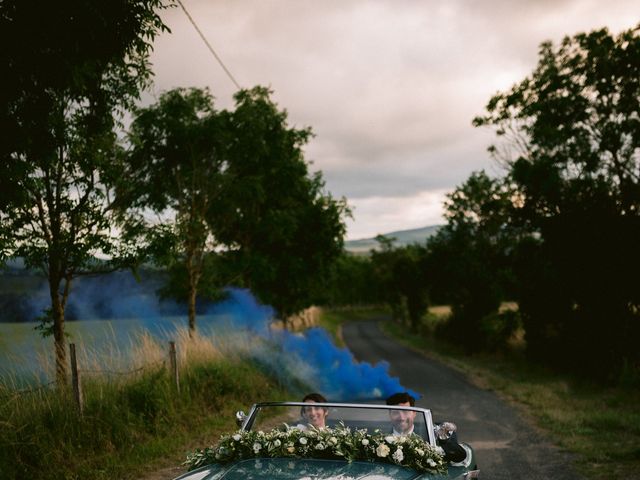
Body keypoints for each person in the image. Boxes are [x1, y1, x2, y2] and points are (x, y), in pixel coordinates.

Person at [386, 392, 467, 463]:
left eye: (406, 411)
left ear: (414, 413)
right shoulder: (379, 435)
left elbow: (459, 455)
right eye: (395, 412)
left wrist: (439, 444)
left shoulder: (432, 432)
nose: (402, 418)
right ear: (389, 415)